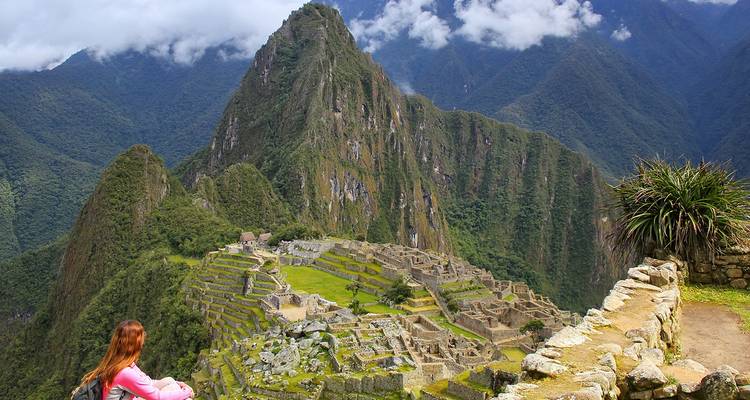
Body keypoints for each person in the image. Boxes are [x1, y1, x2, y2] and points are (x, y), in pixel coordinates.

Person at [79, 320, 194, 400]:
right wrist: (186, 392)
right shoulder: (125, 373)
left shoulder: (119, 363)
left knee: (170, 381)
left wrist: (179, 384)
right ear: (135, 344)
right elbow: (157, 397)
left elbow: (146, 382)